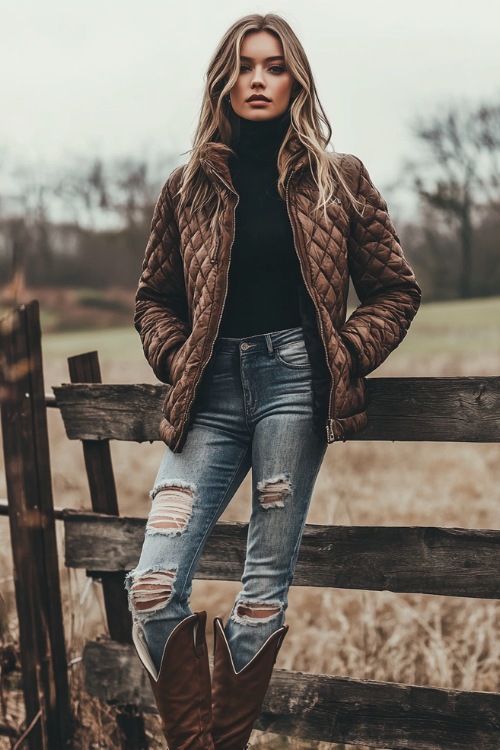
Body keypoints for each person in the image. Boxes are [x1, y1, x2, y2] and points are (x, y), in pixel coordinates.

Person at [125, 12, 422, 750]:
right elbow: (153, 299)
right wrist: (177, 357)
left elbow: (395, 290)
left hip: (296, 384)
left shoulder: (338, 178)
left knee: (261, 594)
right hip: (210, 396)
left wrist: (342, 355)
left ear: (297, 81)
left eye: (274, 66)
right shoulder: (188, 186)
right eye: (245, 66)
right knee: (151, 590)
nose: (258, 79)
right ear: (224, 81)